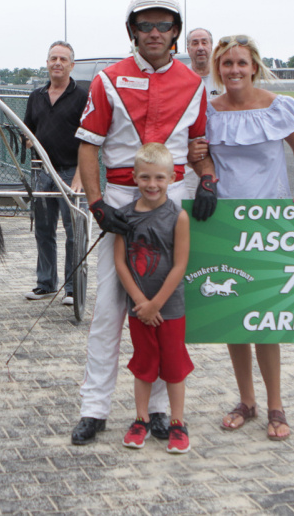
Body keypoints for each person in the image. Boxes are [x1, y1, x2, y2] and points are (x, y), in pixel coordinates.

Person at [71, 0, 217, 446]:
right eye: (145, 25)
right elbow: (88, 145)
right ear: (132, 30)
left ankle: (157, 410)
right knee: (109, 312)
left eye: (163, 25)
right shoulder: (107, 78)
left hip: (169, 199)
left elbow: (198, 148)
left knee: (163, 311)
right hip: (119, 198)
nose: (154, 33)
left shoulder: (195, 85)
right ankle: (94, 409)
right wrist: (98, 205)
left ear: (175, 32)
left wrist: (207, 179)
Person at [190, 34, 294, 441]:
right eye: (227, 64)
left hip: (271, 224)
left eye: (241, 63)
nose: (234, 71)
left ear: (254, 67)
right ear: (217, 69)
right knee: (234, 316)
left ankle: (276, 404)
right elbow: (198, 152)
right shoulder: (208, 109)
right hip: (225, 222)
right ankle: (247, 401)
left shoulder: (276, 107)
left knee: (266, 318)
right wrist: (206, 175)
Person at [115, 143, 193, 453]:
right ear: (134, 177)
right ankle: (141, 418)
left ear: (172, 178)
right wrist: (140, 303)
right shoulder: (124, 217)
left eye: (159, 178)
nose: (152, 184)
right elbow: (121, 262)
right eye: (145, 177)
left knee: (173, 365)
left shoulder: (178, 217)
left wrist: (156, 304)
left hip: (169, 308)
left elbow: (180, 264)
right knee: (144, 363)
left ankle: (177, 422)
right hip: (139, 309)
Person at [23, 40, 88, 304]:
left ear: (71, 65)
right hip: (42, 171)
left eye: (63, 59)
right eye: (53, 59)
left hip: (72, 170)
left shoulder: (83, 96)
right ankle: (46, 283)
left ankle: (73, 288)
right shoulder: (36, 96)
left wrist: (80, 177)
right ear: (47, 63)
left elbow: (90, 140)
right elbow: (27, 131)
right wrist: (31, 140)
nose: (57, 63)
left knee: (74, 232)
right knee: (43, 229)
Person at [182, 27, 214, 199]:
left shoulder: (225, 77)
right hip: (189, 160)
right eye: (195, 43)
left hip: (219, 158)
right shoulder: (179, 78)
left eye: (204, 42)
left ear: (211, 46)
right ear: (188, 49)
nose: (200, 47)